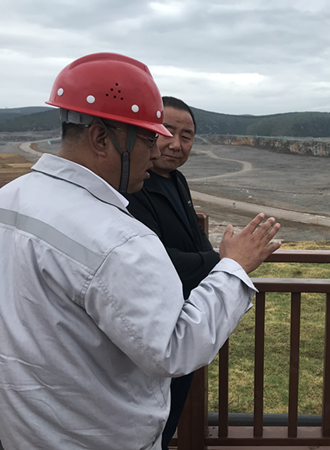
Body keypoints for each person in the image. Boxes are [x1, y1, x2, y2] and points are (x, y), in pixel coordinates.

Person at [0, 52, 280, 450]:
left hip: (23, 431)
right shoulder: (118, 239)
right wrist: (233, 267)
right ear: (101, 138)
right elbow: (174, 349)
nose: (156, 151)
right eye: (149, 138)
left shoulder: (10, 199)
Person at [124, 96, 219, 449]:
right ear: (148, 132)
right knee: (150, 420)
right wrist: (222, 262)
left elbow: (196, 241)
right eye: (166, 131)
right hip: (149, 330)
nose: (176, 145)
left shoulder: (177, 180)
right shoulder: (133, 187)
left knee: (171, 410)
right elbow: (157, 262)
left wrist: (213, 259)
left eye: (186, 136)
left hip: (181, 321)